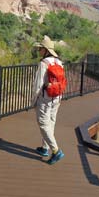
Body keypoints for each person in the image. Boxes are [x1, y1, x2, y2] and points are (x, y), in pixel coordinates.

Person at [32, 35, 65, 165]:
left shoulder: (43, 64)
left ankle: (56, 151)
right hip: (57, 97)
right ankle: (44, 148)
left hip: (45, 98)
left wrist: (34, 100)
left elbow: (38, 84)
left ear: (45, 50)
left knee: (43, 123)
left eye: (40, 48)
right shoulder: (59, 62)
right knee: (51, 122)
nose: (39, 50)